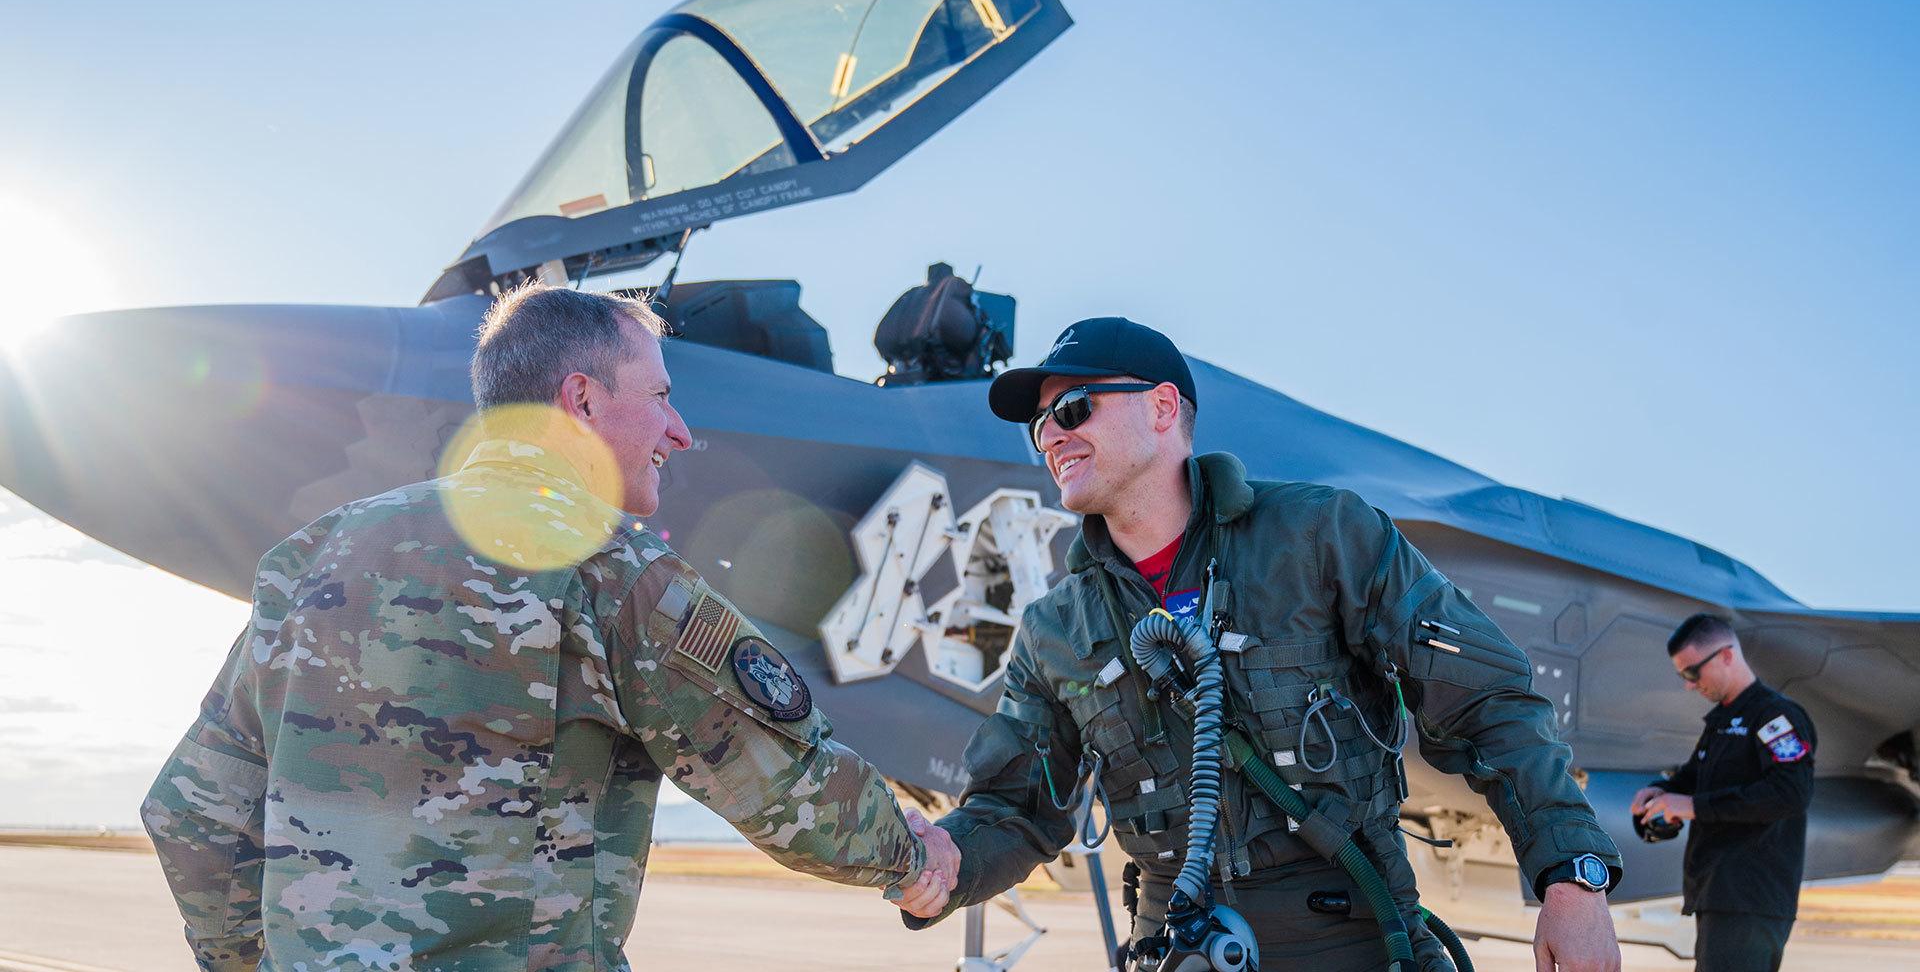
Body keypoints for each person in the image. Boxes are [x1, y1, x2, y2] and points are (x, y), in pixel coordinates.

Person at [141, 285, 956, 971]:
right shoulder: (611, 570)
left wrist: (257, 960)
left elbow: (192, 815)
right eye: (663, 397)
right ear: (583, 399)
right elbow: (790, 794)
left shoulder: (310, 557)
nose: (679, 431)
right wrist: (915, 856)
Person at [891, 317, 1623, 971]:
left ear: (1163, 407)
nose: (1050, 434)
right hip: (1177, 949)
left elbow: (1488, 701)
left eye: (1073, 407)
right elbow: (1017, 808)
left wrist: (1572, 876)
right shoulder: (1057, 627)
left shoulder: (1321, 536)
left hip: (1355, 942)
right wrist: (948, 862)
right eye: (1039, 424)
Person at [1630, 614, 1815, 972]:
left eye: (1692, 672)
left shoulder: (1775, 717)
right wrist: (1659, 792)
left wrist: (1693, 806)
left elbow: (1790, 793)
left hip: (1750, 899)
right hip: (1718, 893)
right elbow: (1692, 779)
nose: (1688, 685)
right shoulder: (1722, 724)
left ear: (1727, 656)